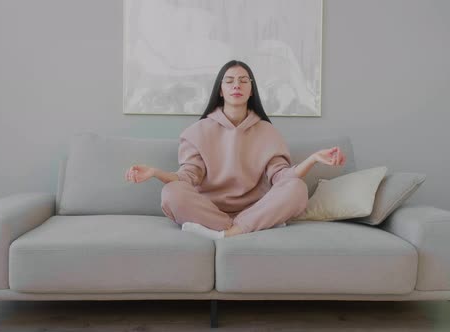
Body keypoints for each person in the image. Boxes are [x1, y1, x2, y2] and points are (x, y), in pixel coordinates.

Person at [124, 60, 346, 239]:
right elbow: (187, 178)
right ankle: (237, 229)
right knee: (171, 192)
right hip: (209, 211)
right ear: (220, 90)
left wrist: (314, 159)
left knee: (297, 188)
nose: (236, 85)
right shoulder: (197, 131)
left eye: (243, 81)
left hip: (256, 209)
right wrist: (154, 173)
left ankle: (229, 232)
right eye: (229, 81)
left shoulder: (267, 132)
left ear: (251, 90)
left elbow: (282, 178)